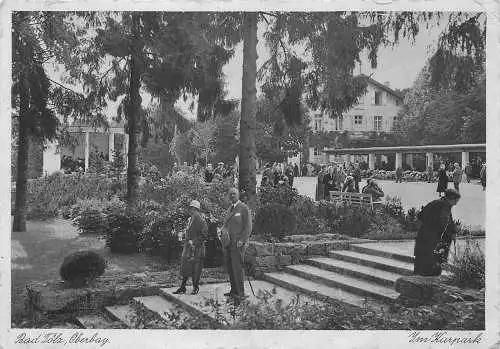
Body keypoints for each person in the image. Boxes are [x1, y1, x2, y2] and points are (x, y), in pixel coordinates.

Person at [413, 189, 461, 276]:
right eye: (456, 201)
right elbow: (444, 223)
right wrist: (454, 230)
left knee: (421, 266)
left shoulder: (437, 203)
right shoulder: (444, 206)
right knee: (432, 267)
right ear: (451, 199)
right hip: (434, 242)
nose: (456, 203)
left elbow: (420, 216)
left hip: (424, 238)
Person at [221, 188, 252, 305]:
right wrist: (222, 232)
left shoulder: (244, 208)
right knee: (230, 267)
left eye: (234, 194)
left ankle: (240, 293)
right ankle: (233, 290)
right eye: (230, 194)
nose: (232, 196)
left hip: (238, 244)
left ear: (238, 195)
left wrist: (242, 240)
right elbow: (226, 225)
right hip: (228, 243)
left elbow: (248, 227)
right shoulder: (230, 209)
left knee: (237, 268)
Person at [173, 200, 208, 295]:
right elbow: (189, 232)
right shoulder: (191, 219)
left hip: (197, 248)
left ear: (197, 210)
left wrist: (194, 241)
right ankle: (182, 287)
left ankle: (195, 287)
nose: (191, 210)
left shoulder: (200, 219)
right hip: (188, 247)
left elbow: (204, 235)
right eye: (191, 208)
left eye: (193, 209)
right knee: (185, 267)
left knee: (196, 269)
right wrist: (183, 234)